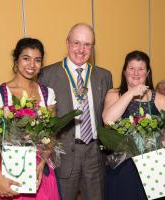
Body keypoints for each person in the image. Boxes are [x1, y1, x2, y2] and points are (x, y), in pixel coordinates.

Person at [39, 23, 113, 200]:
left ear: (93, 47)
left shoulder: (104, 76)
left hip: (95, 155)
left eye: (87, 44)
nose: (81, 49)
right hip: (63, 155)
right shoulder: (47, 75)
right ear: (67, 43)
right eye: (76, 43)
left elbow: (108, 117)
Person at [0, 38, 60, 200]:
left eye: (37, 60)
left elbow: (51, 135)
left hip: (39, 169)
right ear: (16, 60)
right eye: (26, 58)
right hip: (11, 167)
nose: (32, 65)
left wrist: (42, 163)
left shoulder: (48, 94)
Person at [102, 51, 165, 200]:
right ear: (124, 71)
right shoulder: (114, 94)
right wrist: (131, 93)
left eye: (141, 69)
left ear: (147, 72)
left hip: (154, 166)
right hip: (124, 166)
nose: (136, 73)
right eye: (131, 68)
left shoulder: (161, 100)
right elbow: (107, 120)